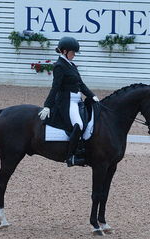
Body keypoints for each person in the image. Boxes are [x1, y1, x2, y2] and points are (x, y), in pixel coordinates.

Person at [38, 36, 99, 167]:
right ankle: (71, 156)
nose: (74, 55)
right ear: (64, 51)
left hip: (78, 101)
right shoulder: (59, 66)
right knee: (79, 124)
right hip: (67, 102)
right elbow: (55, 87)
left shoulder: (71, 65)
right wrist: (47, 105)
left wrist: (92, 96)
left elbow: (81, 84)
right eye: (73, 52)